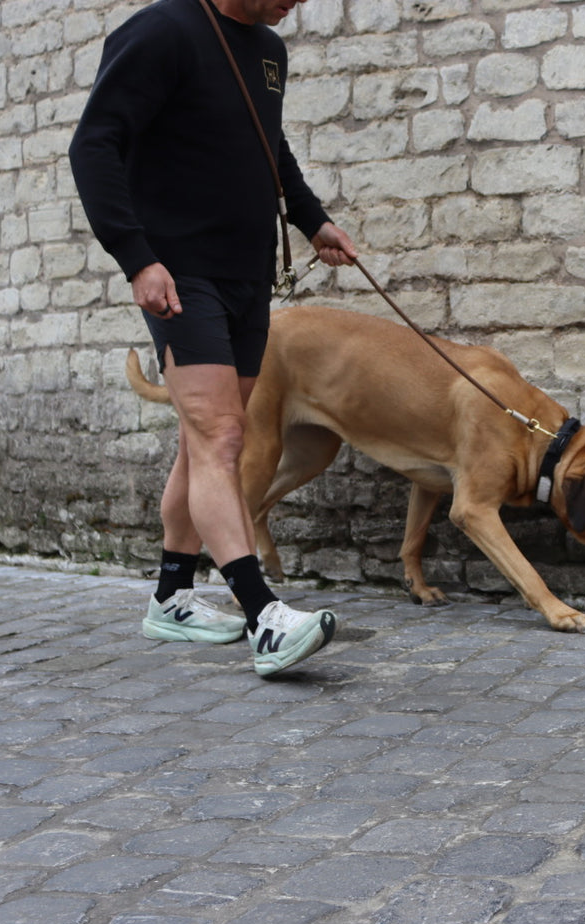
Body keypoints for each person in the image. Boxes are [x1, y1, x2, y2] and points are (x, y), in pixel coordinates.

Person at [69, 0, 358, 676]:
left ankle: (171, 596)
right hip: (179, 273)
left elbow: (270, 148)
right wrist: (137, 258)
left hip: (245, 276)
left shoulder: (267, 51)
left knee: (202, 443)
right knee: (223, 437)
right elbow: (94, 143)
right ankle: (264, 615)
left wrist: (312, 221)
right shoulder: (163, 31)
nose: (298, 2)